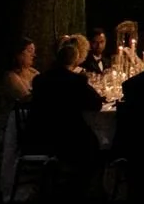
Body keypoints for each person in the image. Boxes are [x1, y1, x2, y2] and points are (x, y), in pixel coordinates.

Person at [25, 36, 102, 166]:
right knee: (96, 144)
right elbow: (96, 104)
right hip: (68, 137)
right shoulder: (77, 80)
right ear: (75, 60)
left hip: (40, 134)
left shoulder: (39, 79)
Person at [0, 38, 38, 105]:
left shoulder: (34, 72)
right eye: (30, 51)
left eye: (34, 52)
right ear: (18, 54)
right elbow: (25, 99)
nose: (33, 55)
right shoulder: (10, 76)